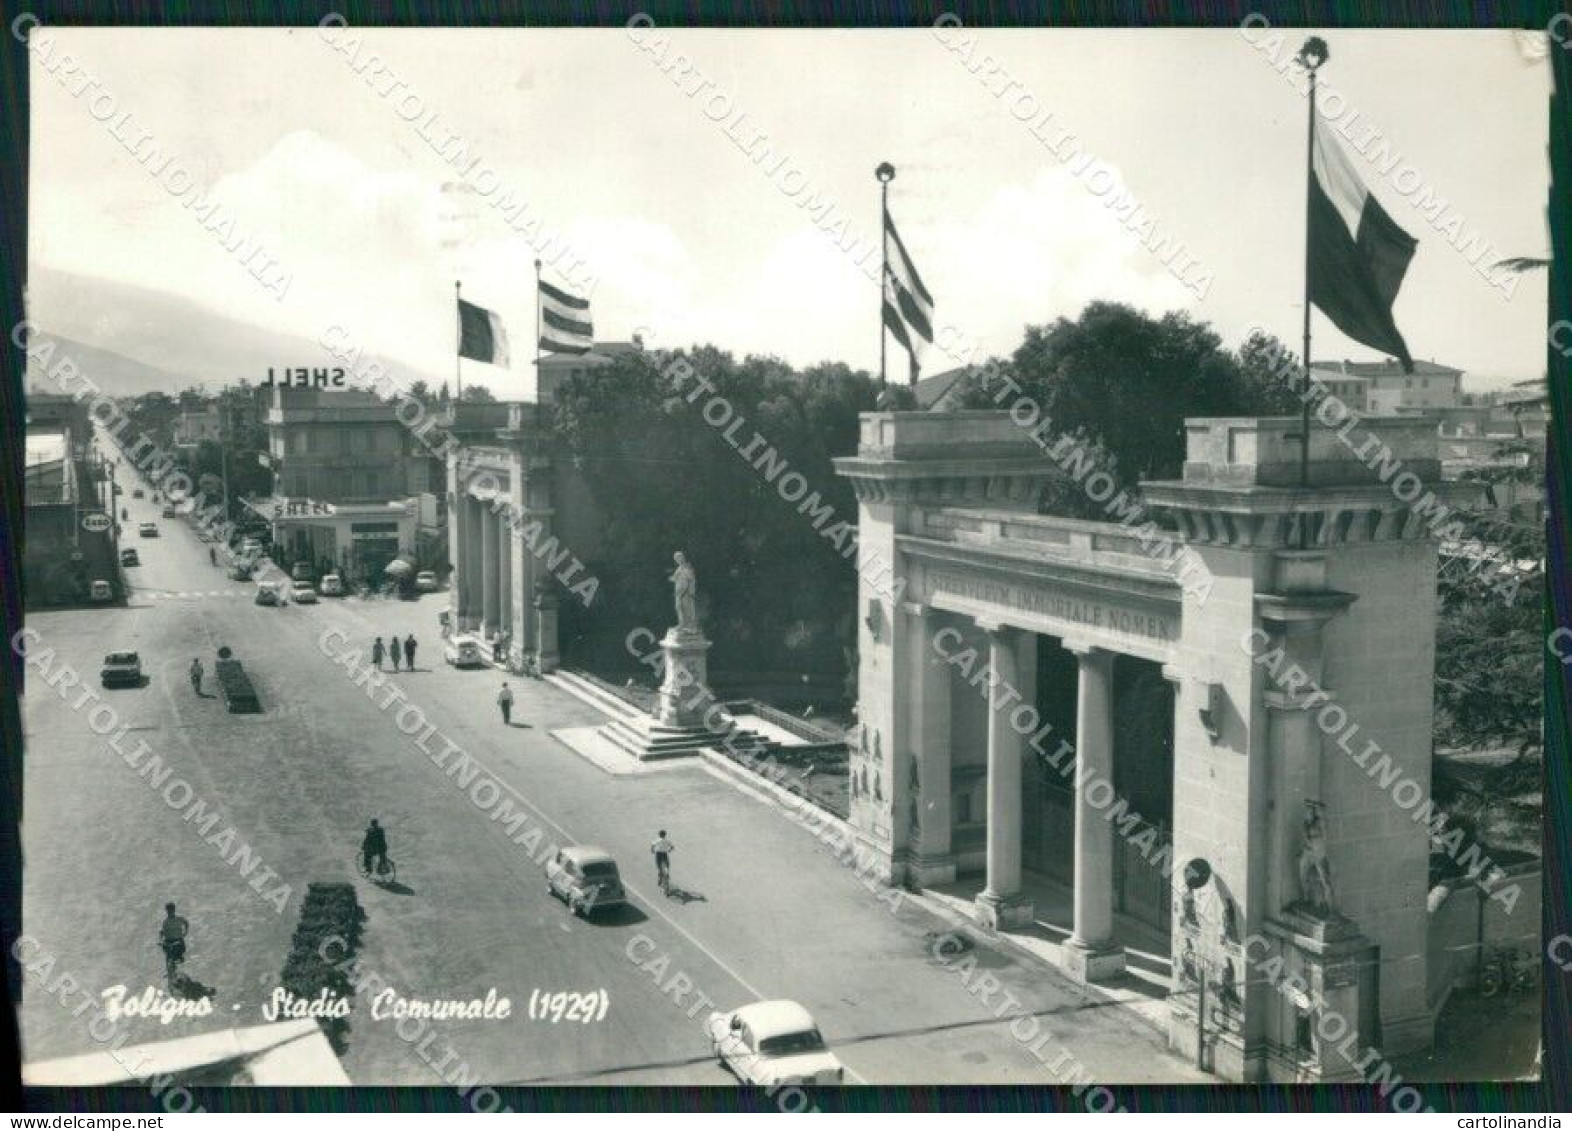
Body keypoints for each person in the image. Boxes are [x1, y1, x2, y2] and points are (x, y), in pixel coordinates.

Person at [158, 903, 189, 982]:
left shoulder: (179, 919)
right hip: (169, 942)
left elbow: (186, 922)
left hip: (178, 941)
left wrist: (185, 932)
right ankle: (170, 971)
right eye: (168, 910)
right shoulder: (165, 922)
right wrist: (161, 940)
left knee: (177, 953)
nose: (170, 912)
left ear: (174, 910)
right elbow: (162, 932)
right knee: (168, 955)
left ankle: (177, 962)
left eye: (171, 910)